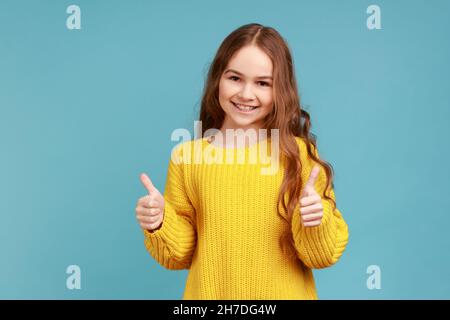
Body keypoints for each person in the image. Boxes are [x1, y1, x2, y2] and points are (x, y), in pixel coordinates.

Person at [135, 23, 349, 300]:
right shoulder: (188, 158)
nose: (246, 94)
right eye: (235, 78)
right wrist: (159, 221)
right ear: (217, 79)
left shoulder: (298, 156)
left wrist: (315, 220)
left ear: (280, 90)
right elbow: (179, 256)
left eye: (262, 83)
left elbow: (324, 256)